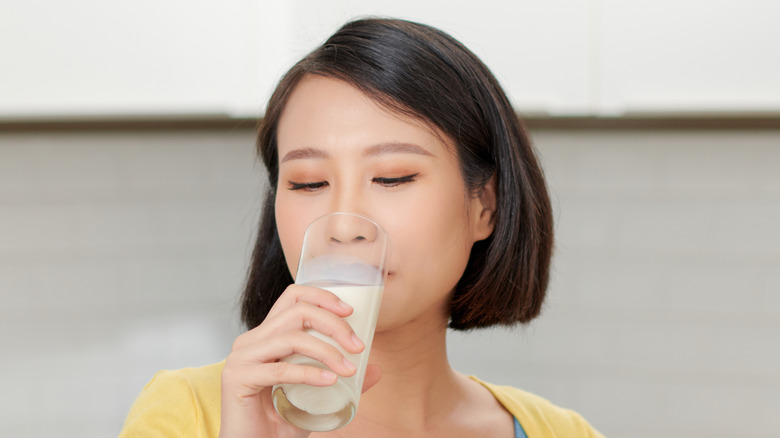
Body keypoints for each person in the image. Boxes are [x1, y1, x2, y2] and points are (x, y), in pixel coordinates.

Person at [120, 17, 604, 438]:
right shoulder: (192, 414)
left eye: (392, 177)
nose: (344, 225)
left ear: (485, 207)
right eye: (309, 183)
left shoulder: (562, 432)